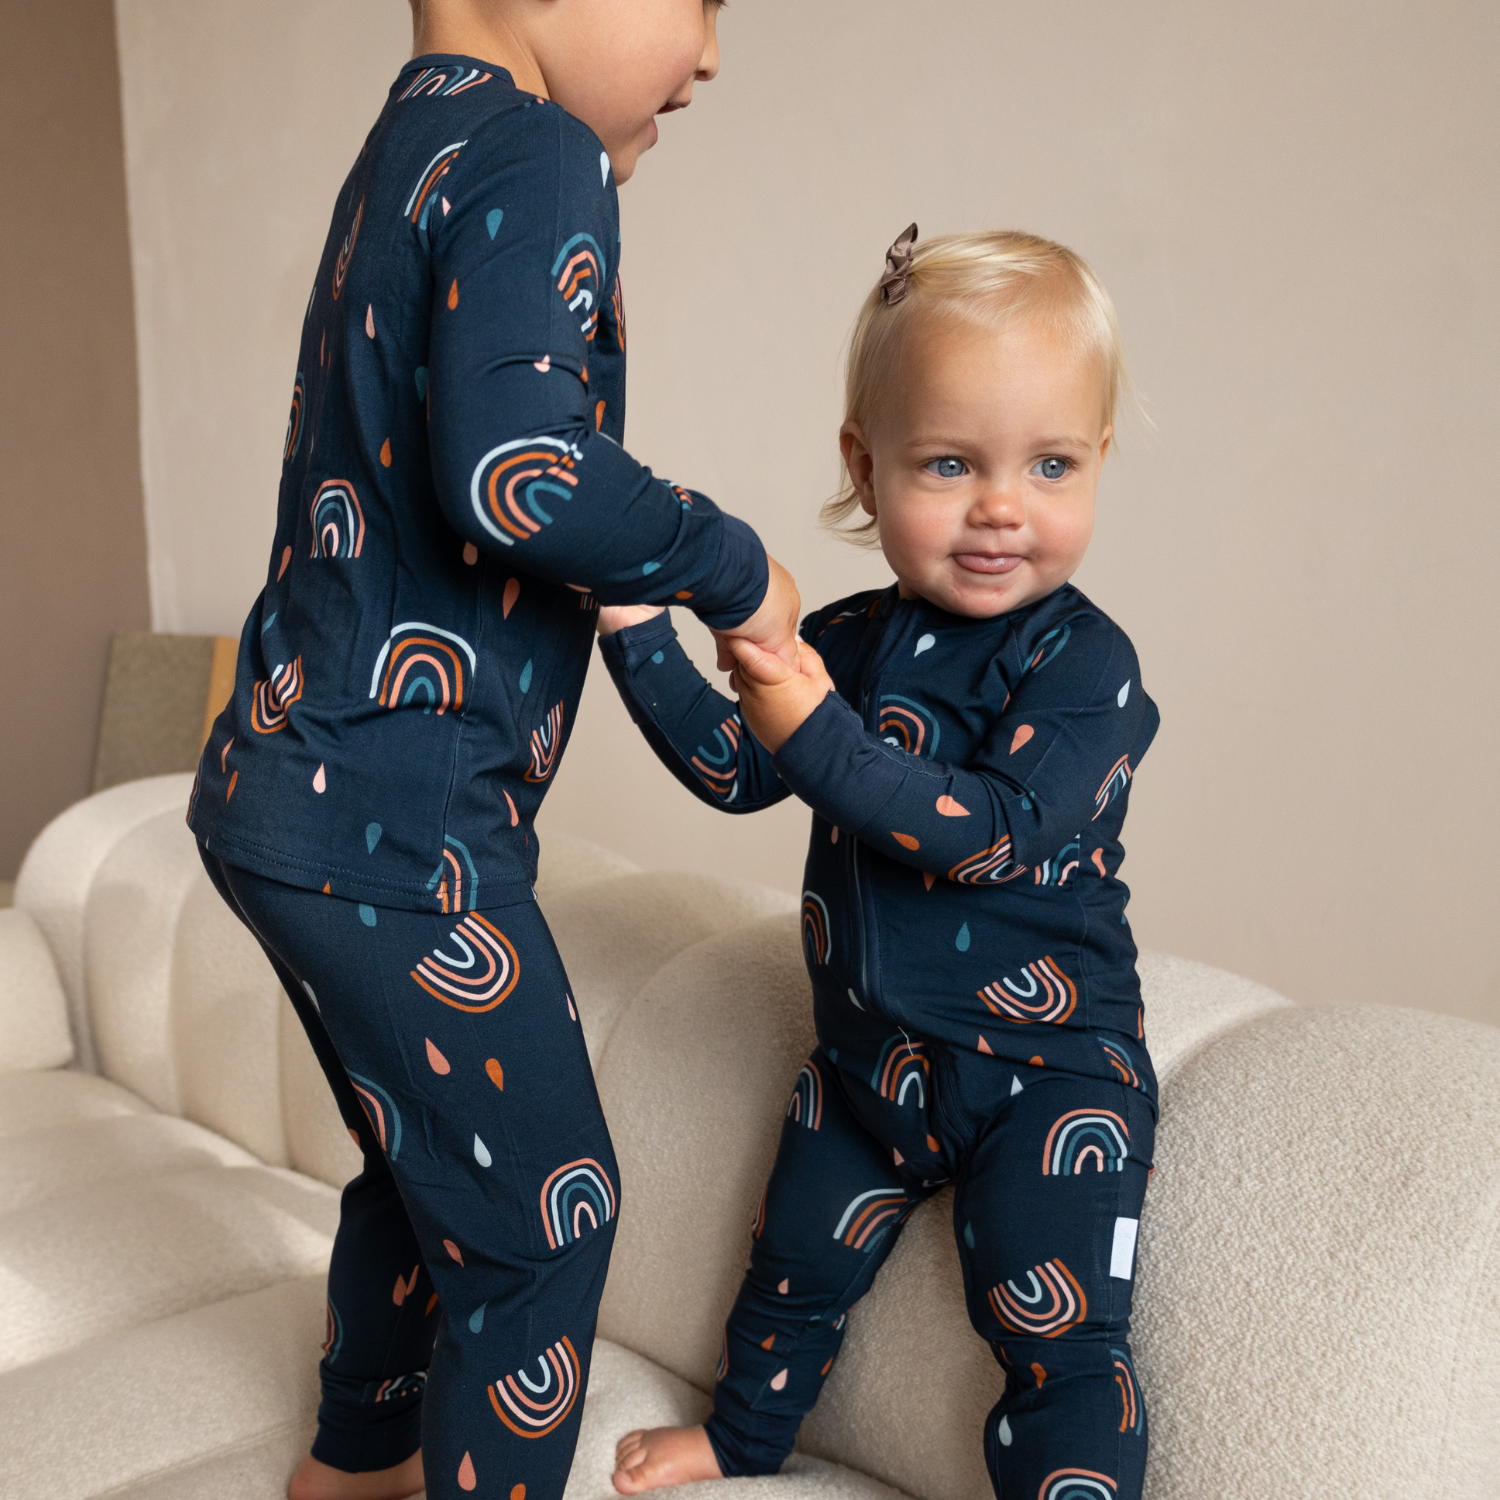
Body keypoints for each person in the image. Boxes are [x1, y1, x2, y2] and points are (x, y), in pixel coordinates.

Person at [187, 4, 799, 1499]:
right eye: (700, 2)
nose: (711, 56)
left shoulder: (411, 144)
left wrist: (657, 624)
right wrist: (729, 565)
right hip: (398, 816)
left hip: (284, 787)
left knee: (429, 1174)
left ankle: (356, 1465)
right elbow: (521, 474)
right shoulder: (539, 147)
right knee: (544, 1221)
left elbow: (504, 487)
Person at [600, 228, 1160, 1500]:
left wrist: (815, 730)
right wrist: (634, 627)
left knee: (1059, 1336)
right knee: (790, 1266)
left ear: (1098, 461)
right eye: (950, 463)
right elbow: (739, 769)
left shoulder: (1088, 668)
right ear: (866, 465)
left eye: (1052, 464)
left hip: (1048, 1073)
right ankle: (745, 1438)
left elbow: (985, 830)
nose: (1001, 506)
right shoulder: (850, 641)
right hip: (866, 1072)